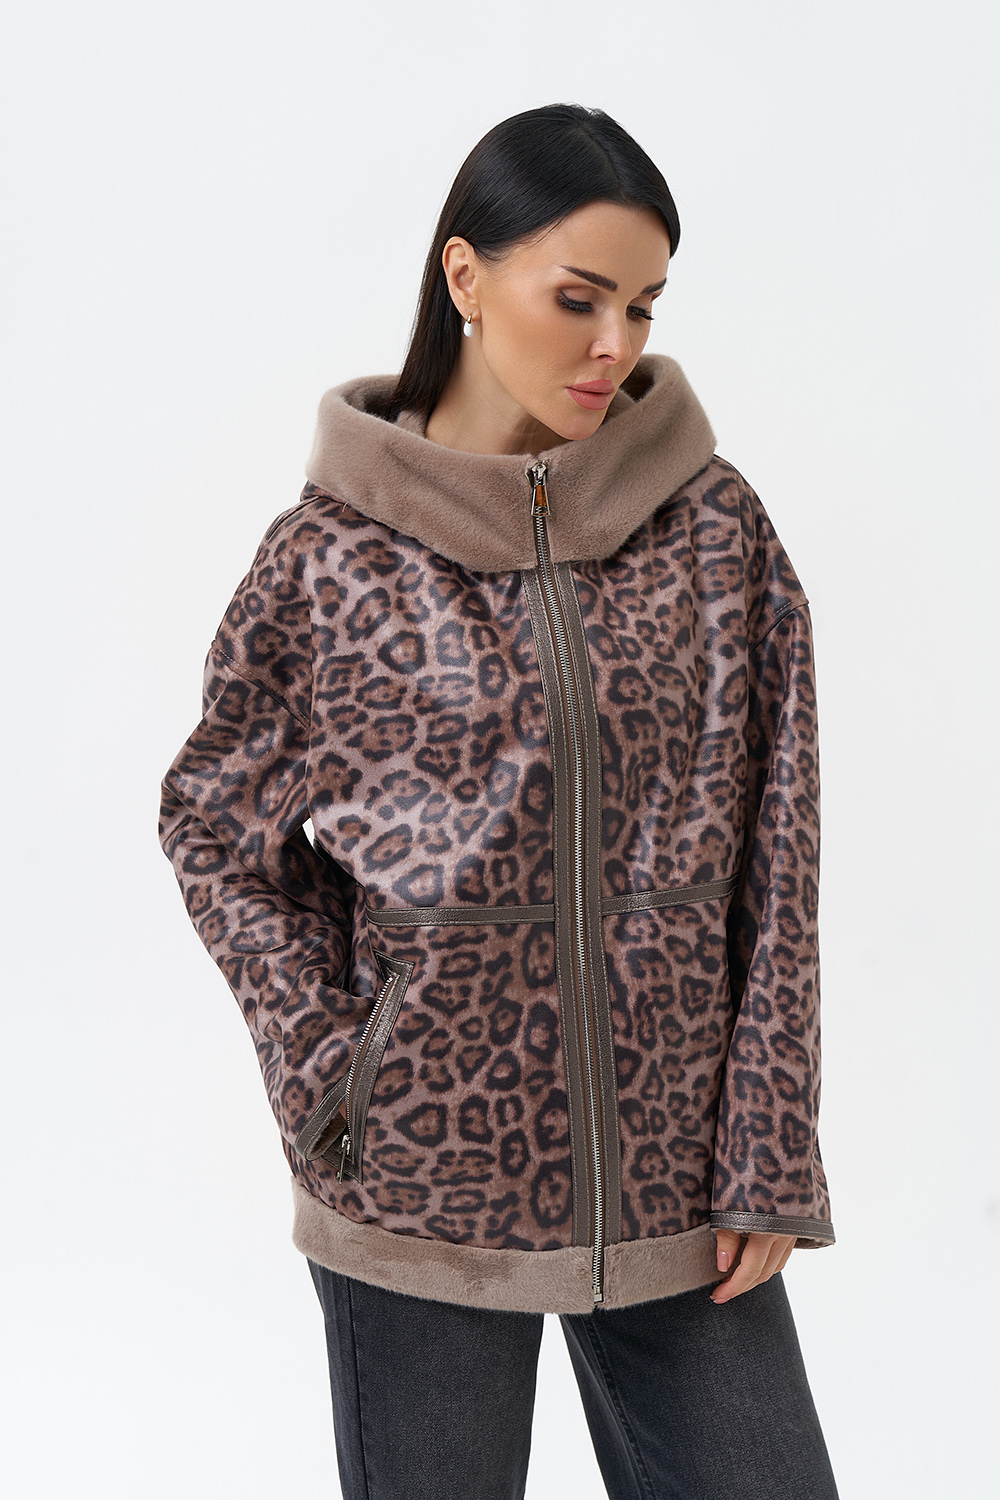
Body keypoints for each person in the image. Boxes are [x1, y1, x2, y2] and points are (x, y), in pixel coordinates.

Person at [158, 103, 839, 1499]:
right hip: (420, 1190)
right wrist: (332, 1065)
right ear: (465, 277)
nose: (615, 345)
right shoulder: (330, 559)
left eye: (643, 306)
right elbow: (214, 828)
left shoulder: (712, 531)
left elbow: (780, 843)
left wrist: (770, 1139)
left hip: (681, 1187)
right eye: (579, 298)